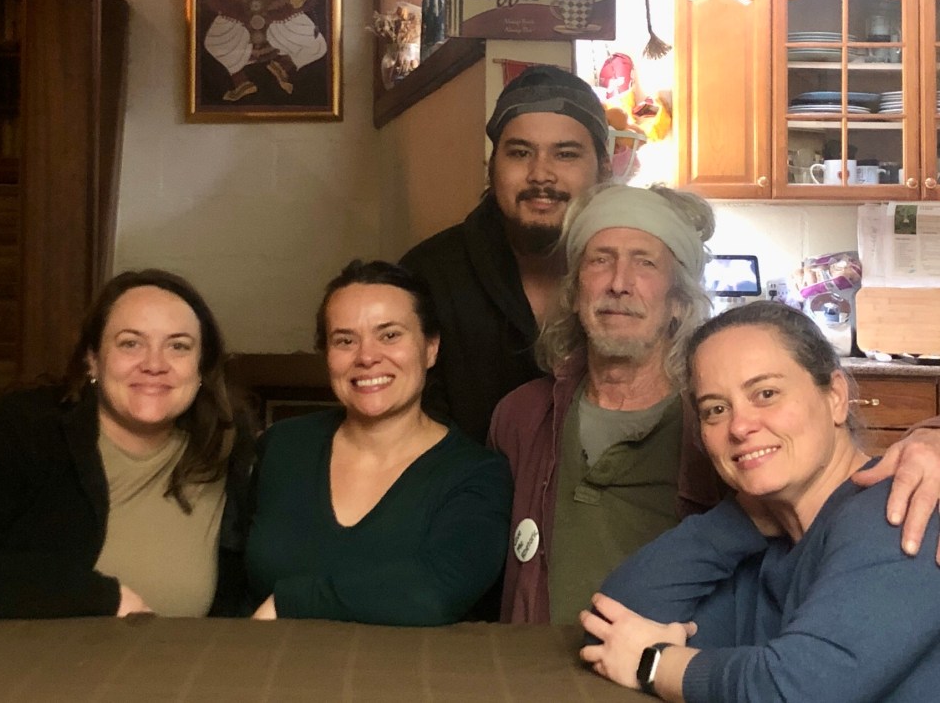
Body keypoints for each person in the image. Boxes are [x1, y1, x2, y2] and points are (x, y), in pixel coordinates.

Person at [492, 183, 940, 626]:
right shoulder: (521, 416)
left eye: (645, 262)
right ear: (575, 292)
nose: (619, 283)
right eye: (600, 260)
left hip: (679, 658)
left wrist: (932, 437)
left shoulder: (723, 427)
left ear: (678, 301)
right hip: (534, 660)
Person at [581, 302, 940, 702]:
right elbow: (611, 629)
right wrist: (742, 516)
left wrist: (653, 664)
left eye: (766, 393)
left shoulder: (900, 509)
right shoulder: (765, 546)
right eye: (716, 409)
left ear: (836, 397)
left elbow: (796, 690)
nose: (739, 426)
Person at [0, 269, 251, 619]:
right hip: (27, 653)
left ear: (202, 367)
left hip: (185, 653)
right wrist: (96, 597)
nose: (154, 364)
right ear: (92, 359)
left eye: (178, 346)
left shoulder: (225, 447)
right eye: (130, 343)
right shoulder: (23, 430)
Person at [246, 260, 512, 625]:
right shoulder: (284, 446)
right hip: (266, 658)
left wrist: (290, 602)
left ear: (431, 348)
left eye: (389, 336)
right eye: (345, 340)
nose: (367, 357)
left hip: (409, 664)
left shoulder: (477, 473)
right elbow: (230, 576)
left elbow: (435, 592)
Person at [400, 64, 612, 444]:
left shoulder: (632, 277)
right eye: (520, 153)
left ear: (604, 169)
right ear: (492, 166)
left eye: (565, 154)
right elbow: (407, 431)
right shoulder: (427, 277)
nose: (541, 174)